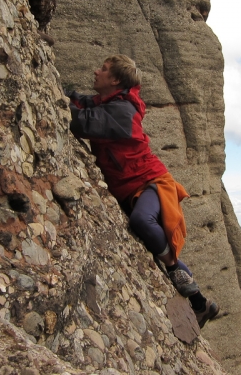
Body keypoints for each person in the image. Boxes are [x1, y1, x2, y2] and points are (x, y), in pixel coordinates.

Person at [67, 54, 219, 328]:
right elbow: (83, 102)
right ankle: (201, 304)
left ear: (115, 79)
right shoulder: (111, 103)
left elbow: (82, 122)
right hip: (131, 188)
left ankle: (174, 268)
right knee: (149, 239)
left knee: (141, 222)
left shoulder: (123, 112)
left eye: (102, 69)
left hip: (151, 183)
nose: (95, 71)